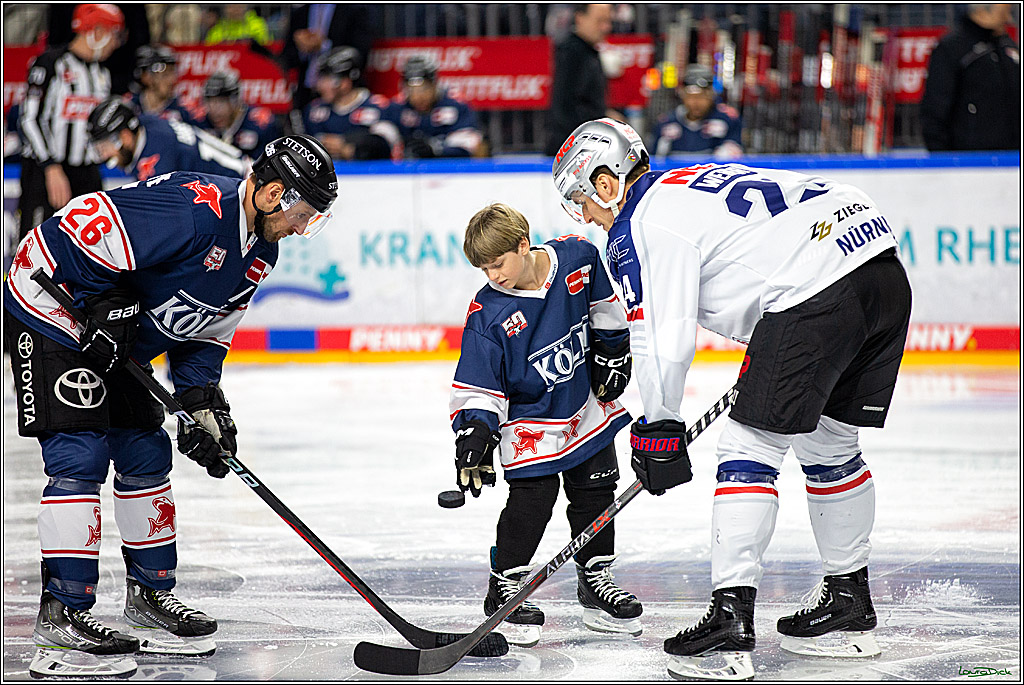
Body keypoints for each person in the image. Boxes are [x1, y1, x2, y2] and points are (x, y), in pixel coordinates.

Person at [552, 118, 911, 680]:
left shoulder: (640, 223)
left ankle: (729, 626)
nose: (588, 218)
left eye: (582, 201)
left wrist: (658, 426)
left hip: (815, 292)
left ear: (606, 182)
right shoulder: (691, 180)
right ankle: (847, 606)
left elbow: (663, 338)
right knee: (831, 446)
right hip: (881, 272)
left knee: (748, 448)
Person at [4, 134, 338, 678]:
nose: (302, 228)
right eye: (301, 213)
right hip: (50, 311)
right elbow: (78, 224)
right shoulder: (193, 209)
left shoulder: (260, 251)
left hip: (119, 339)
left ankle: (150, 599)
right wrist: (106, 306)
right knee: (80, 454)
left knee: (146, 453)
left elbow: (205, 334)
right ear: (274, 192)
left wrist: (201, 401)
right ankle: (61, 616)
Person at [450, 202, 642, 647]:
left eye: (498, 263)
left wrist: (613, 349)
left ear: (524, 244)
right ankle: (505, 583)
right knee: (533, 502)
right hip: (530, 419)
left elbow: (604, 305)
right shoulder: (488, 313)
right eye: (483, 268)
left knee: (595, 491)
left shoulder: (577, 257)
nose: (492, 275)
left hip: (582, 405)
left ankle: (595, 577)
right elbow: (479, 381)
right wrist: (477, 431)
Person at [18, 4, 124, 241]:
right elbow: (29, 119)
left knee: (94, 246)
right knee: (35, 244)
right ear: (96, 31)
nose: (116, 43)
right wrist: (51, 167)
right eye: (114, 34)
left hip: (86, 172)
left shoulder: (102, 74)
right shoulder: (50, 63)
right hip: (45, 170)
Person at [920, 3, 1020, 151]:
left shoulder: (1008, 47)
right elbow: (934, 113)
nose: (1010, 6)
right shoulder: (952, 48)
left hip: (1012, 161)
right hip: (969, 163)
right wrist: (944, 164)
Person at [87, 97, 249, 181]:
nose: (104, 154)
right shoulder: (146, 124)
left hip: (243, 184)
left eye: (104, 146)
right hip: (242, 171)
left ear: (125, 137)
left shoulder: (158, 160)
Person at [544, 4, 620, 156]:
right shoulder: (572, 53)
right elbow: (565, 106)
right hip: (572, 151)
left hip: (584, 147)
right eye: (599, 21)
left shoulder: (588, 52)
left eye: (608, 21)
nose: (606, 27)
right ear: (580, 19)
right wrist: (600, 124)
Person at [302, 46, 398, 161]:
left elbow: (390, 150)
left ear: (345, 82)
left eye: (326, 79)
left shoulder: (380, 109)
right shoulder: (313, 111)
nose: (319, 86)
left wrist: (352, 149)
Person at [281, 4, 375, 110]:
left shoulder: (354, 9)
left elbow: (359, 52)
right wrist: (302, 48)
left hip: (342, 94)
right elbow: (287, 55)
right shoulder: (300, 12)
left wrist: (323, 45)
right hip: (307, 92)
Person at [387, 56, 482, 158]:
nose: (418, 96)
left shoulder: (456, 105)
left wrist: (437, 151)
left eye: (424, 89)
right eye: (411, 90)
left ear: (434, 85)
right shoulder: (396, 108)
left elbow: (469, 146)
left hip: (446, 170)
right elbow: (381, 140)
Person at [652, 64, 743, 160]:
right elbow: (655, 160)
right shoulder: (666, 122)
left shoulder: (728, 119)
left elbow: (734, 158)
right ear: (682, 95)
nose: (696, 102)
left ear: (712, 94)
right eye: (690, 96)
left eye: (702, 96)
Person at [197, 71, 281, 159]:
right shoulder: (199, 122)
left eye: (221, 102)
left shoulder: (260, 123)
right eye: (210, 102)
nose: (214, 110)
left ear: (236, 100)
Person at [129, 44, 200, 125]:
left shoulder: (185, 111)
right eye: (165, 75)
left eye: (173, 74)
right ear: (146, 78)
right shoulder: (130, 105)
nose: (172, 80)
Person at [203, 4, 271, 46]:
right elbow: (210, 52)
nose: (235, 9)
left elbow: (264, 48)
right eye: (231, 6)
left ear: (245, 7)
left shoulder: (258, 24)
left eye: (239, 5)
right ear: (225, 9)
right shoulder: (216, 30)